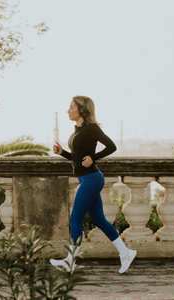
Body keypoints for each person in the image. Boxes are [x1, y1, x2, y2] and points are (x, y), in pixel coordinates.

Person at [50, 95, 137, 274]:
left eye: (71, 107)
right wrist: (63, 153)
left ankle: (70, 261)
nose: (68, 110)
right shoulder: (77, 131)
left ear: (82, 110)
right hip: (86, 178)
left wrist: (94, 157)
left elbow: (111, 146)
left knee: (75, 219)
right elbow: (78, 158)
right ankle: (125, 252)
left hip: (92, 178)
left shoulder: (92, 129)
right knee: (99, 220)